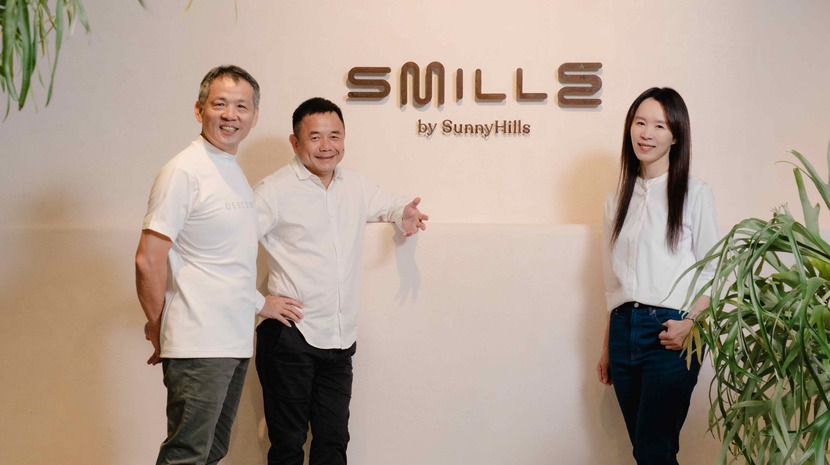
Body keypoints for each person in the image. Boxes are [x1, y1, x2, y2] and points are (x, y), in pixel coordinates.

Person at [253, 97, 428, 465]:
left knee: (334, 445)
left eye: (334, 136)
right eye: (315, 137)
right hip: (290, 337)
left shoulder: (355, 185)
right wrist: (259, 302)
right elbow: (228, 249)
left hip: (339, 338)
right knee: (287, 446)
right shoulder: (273, 190)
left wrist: (405, 213)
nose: (326, 146)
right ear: (295, 142)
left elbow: (390, 203)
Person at [135, 65, 283, 465]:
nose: (231, 115)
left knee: (211, 451)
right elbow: (148, 259)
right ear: (199, 110)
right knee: (188, 454)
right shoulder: (184, 170)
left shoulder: (230, 169)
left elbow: (225, 263)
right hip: (198, 341)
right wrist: (158, 325)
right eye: (220, 104)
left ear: (254, 116)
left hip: (232, 340)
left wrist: (259, 304)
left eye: (241, 106)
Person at [595, 87, 719, 465]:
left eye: (659, 126)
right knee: (646, 452)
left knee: (655, 450)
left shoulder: (695, 193)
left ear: (676, 135)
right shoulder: (616, 200)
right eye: (640, 122)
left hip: (671, 331)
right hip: (623, 330)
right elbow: (612, 280)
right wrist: (608, 344)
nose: (646, 133)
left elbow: (714, 268)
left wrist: (692, 324)